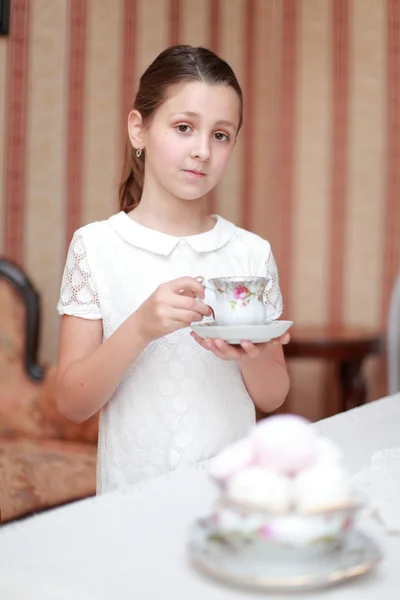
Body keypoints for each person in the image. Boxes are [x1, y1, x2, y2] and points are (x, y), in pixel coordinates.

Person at [56, 45, 290, 494]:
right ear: (138, 130)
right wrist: (140, 327)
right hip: (131, 501)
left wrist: (253, 354)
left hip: (231, 497)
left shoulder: (249, 254)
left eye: (221, 135)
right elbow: (71, 404)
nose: (202, 150)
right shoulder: (96, 247)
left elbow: (273, 395)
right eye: (184, 128)